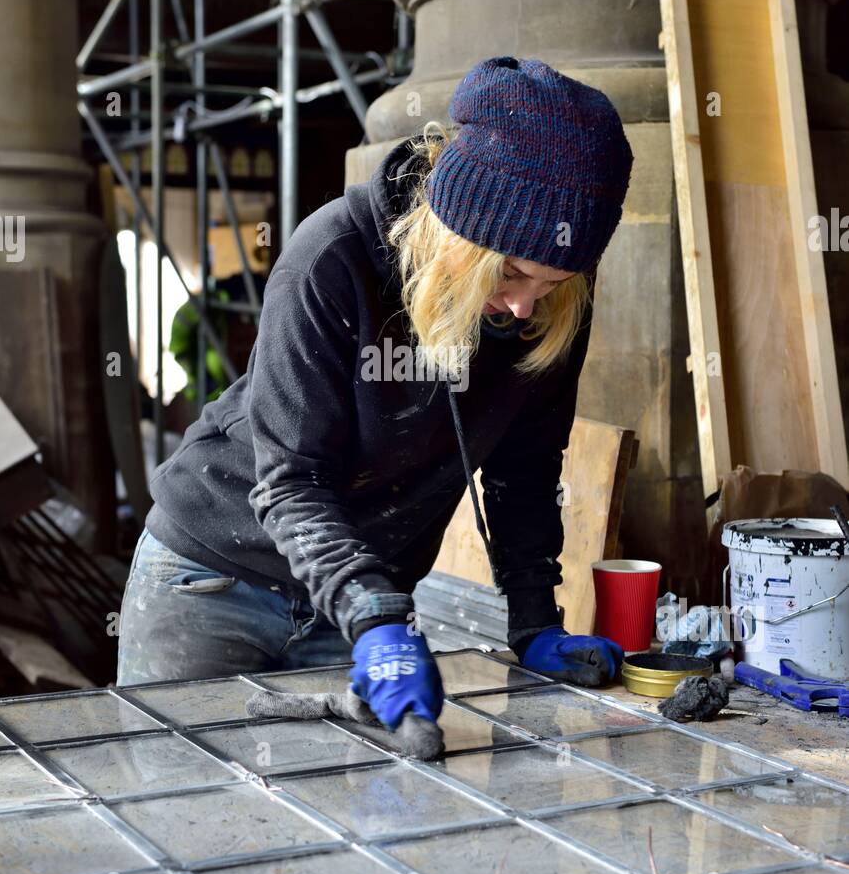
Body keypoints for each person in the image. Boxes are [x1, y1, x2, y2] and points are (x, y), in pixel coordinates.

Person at [117, 55, 633, 737]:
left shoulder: (548, 304)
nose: (518, 303)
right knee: (178, 811)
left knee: (346, 819)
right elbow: (292, 480)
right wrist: (376, 620)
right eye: (508, 271)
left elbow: (525, 471)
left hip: (360, 601)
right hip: (213, 578)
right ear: (460, 232)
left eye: (550, 282)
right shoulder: (332, 256)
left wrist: (534, 620)